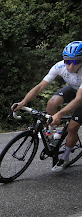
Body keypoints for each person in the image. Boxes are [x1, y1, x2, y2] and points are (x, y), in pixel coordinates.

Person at [12, 41, 82, 172]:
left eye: (75, 61)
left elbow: (79, 99)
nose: (70, 66)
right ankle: (52, 131)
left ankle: (65, 158)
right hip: (73, 88)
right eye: (68, 61)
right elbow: (40, 87)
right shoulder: (59, 66)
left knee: (72, 127)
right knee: (51, 103)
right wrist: (23, 102)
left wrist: (59, 114)